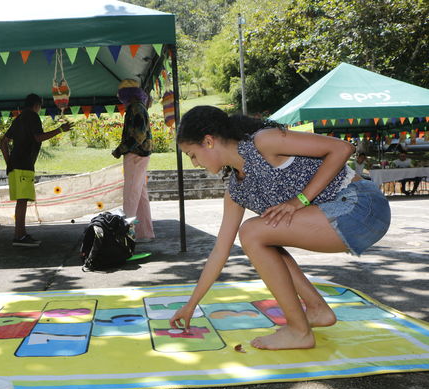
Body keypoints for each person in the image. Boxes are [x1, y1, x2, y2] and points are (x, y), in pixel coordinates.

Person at [169, 106, 391, 350]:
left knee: (252, 231)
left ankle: (299, 331)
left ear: (208, 141)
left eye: (192, 154)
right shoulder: (236, 191)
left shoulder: (263, 142)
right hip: (340, 220)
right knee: (259, 236)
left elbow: (342, 148)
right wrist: (191, 305)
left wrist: (300, 200)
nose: (194, 163)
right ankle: (316, 309)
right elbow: (220, 251)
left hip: (362, 207)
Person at [0, 94, 71, 247]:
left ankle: (20, 234)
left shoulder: (18, 119)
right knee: (23, 200)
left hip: (15, 164)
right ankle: (19, 236)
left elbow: (3, 141)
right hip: (24, 164)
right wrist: (60, 130)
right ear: (37, 105)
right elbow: (38, 138)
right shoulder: (32, 117)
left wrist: (8, 161)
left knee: (21, 201)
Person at [112, 79, 155, 242]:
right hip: (142, 155)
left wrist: (120, 150)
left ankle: (127, 235)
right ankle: (145, 233)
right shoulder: (139, 107)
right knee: (141, 195)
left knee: (131, 194)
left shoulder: (135, 108)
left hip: (135, 155)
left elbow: (139, 135)